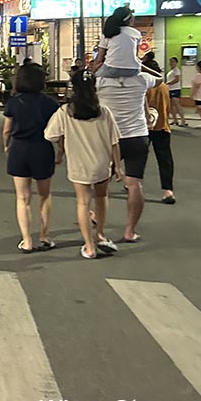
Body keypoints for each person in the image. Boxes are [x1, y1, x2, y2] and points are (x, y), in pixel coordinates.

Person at [44, 70, 122, 259]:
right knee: (102, 198)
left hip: (79, 165)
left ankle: (89, 247)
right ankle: (101, 235)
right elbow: (115, 141)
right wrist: (118, 167)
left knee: (83, 202)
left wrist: (63, 145)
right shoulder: (103, 110)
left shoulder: (65, 112)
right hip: (102, 164)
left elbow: (49, 135)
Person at [96, 64, 161, 244]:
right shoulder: (141, 79)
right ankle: (130, 231)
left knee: (101, 181)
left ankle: (97, 217)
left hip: (110, 137)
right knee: (134, 184)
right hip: (137, 136)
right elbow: (161, 78)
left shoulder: (101, 81)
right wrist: (139, 65)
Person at [3, 64, 59, 253]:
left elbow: (6, 130)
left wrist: (6, 145)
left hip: (19, 149)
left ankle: (26, 241)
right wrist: (61, 151)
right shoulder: (50, 103)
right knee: (44, 195)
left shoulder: (13, 102)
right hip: (42, 148)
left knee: (22, 198)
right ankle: (44, 236)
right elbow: (58, 131)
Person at [142, 59, 176, 204]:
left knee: (138, 156)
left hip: (144, 127)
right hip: (162, 126)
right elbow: (167, 107)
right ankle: (168, 190)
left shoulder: (144, 87)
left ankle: (133, 183)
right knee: (165, 159)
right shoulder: (164, 87)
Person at [91, 6, 142, 78]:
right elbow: (135, 55)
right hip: (134, 70)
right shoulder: (136, 33)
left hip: (112, 68)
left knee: (95, 80)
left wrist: (93, 72)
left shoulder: (108, 32)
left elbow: (99, 59)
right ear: (129, 19)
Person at [165, 56, 187, 127]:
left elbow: (177, 79)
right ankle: (175, 120)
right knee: (171, 106)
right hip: (170, 89)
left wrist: (168, 83)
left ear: (176, 63)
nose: (171, 63)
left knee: (177, 105)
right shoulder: (170, 71)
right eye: (170, 61)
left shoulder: (176, 70)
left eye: (173, 61)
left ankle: (183, 120)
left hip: (175, 89)